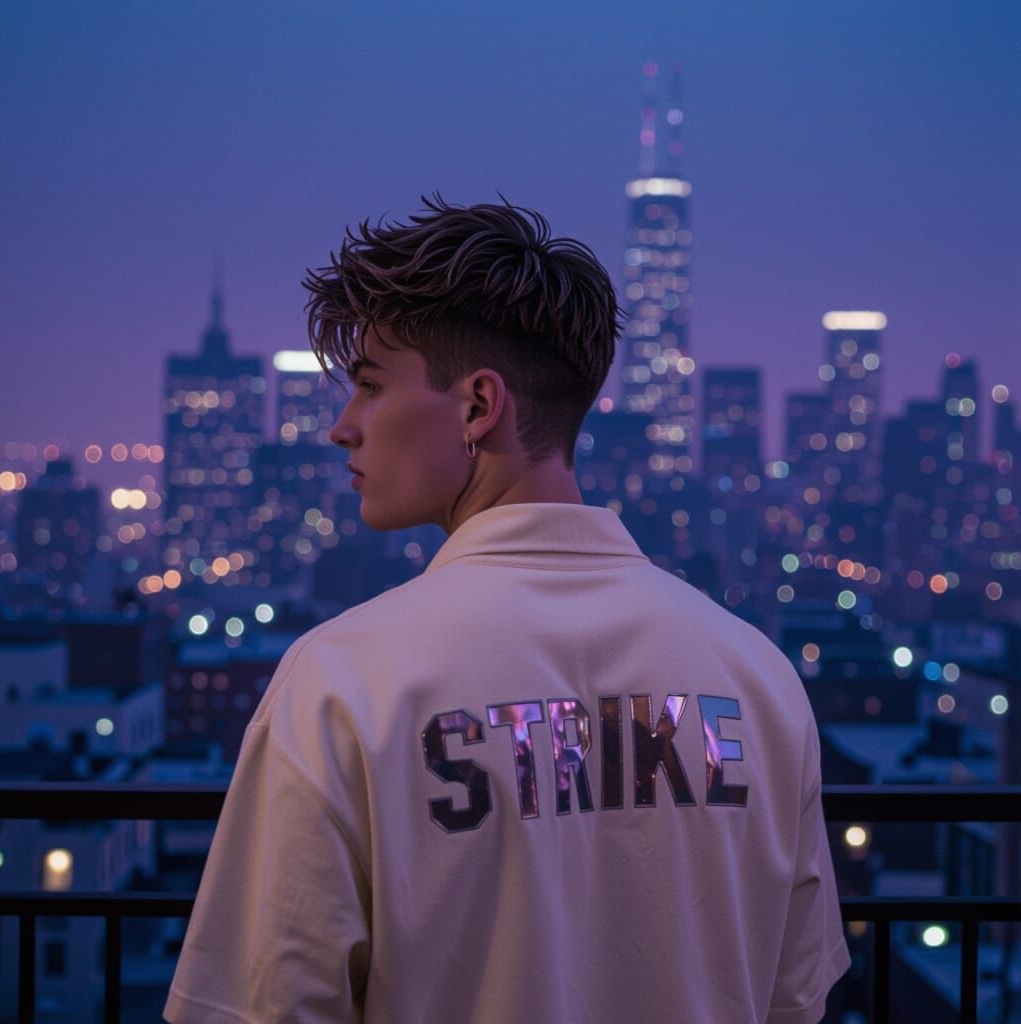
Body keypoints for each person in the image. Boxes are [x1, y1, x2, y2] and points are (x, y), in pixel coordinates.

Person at [164, 196, 850, 1023]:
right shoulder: (757, 680)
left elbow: (263, 1008)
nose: (343, 427)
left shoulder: (343, 683)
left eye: (371, 386)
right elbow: (794, 1001)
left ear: (478, 406)